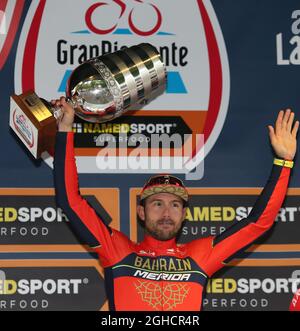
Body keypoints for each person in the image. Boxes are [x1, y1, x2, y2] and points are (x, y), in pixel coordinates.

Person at [52, 97, 298, 311]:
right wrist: (65, 129)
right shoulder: (118, 250)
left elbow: (257, 224)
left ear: (184, 215)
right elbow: (70, 201)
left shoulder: (201, 255)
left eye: (175, 205)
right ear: (141, 211)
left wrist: (284, 162)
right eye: (157, 203)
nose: (167, 212)